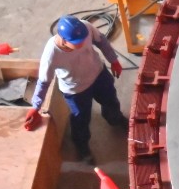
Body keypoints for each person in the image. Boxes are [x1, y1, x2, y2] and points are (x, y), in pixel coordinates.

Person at [25, 15, 128, 163]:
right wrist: (36, 106)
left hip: (98, 74)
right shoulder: (51, 54)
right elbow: (43, 82)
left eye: (83, 40)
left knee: (110, 99)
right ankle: (82, 146)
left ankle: (115, 118)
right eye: (77, 42)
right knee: (81, 118)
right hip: (76, 90)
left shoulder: (86, 27)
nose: (83, 43)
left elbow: (101, 41)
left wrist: (114, 60)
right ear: (63, 40)